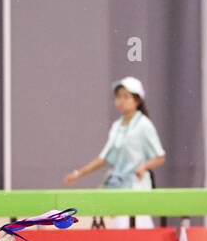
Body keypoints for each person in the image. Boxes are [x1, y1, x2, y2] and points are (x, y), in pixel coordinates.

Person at [64, 76, 166, 228]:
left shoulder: (144, 125)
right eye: (118, 97)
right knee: (118, 228)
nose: (121, 101)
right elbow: (104, 158)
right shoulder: (117, 126)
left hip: (137, 188)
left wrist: (144, 167)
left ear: (137, 100)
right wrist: (79, 173)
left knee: (138, 229)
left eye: (126, 96)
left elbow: (160, 157)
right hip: (118, 187)